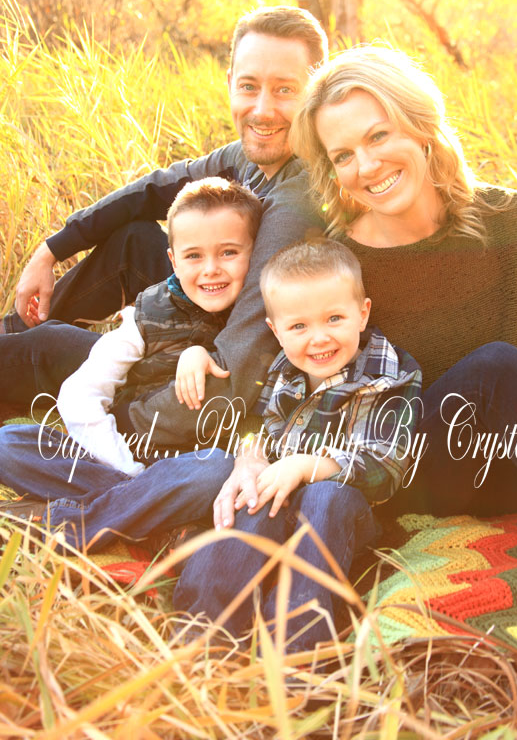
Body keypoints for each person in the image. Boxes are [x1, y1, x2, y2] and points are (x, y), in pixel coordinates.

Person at [12, 239, 421, 652]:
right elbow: (254, 423)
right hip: (273, 499)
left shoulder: (389, 374)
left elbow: (386, 465)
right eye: (299, 327)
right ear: (275, 331)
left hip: (340, 516)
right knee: (247, 501)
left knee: (324, 496)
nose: (318, 338)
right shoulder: (281, 368)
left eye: (334, 318)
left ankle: (297, 648)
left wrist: (305, 466)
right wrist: (249, 457)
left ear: (362, 313)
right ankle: (205, 637)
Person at [0, 5, 326, 463]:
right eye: (249, 86)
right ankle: (12, 333)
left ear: (316, 91)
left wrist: (122, 421)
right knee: (134, 242)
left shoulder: (295, 205)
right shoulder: (249, 156)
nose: (262, 109)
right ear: (230, 82)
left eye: (285, 90)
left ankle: (22, 356)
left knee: (48, 346)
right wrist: (51, 249)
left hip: (202, 375)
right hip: (205, 311)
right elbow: (153, 190)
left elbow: (238, 368)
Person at [288, 45, 517, 521]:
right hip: (405, 474)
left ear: (420, 124)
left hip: (511, 471)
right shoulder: (339, 264)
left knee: (507, 370)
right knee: (497, 365)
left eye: (378, 135)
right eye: (343, 155)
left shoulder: (511, 218)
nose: (367, 166)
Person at [57, 177, 262, 476]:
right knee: (11, 443)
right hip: (131, 458)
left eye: (228, 252)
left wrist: (199, 354)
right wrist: (128, 471)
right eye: (193, 256)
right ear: (173, 261)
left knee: (212, 471)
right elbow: (79, 395)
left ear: (256, 253)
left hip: (207, 468)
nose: (211, 269)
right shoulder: (147, 317)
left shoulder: (258, 318)